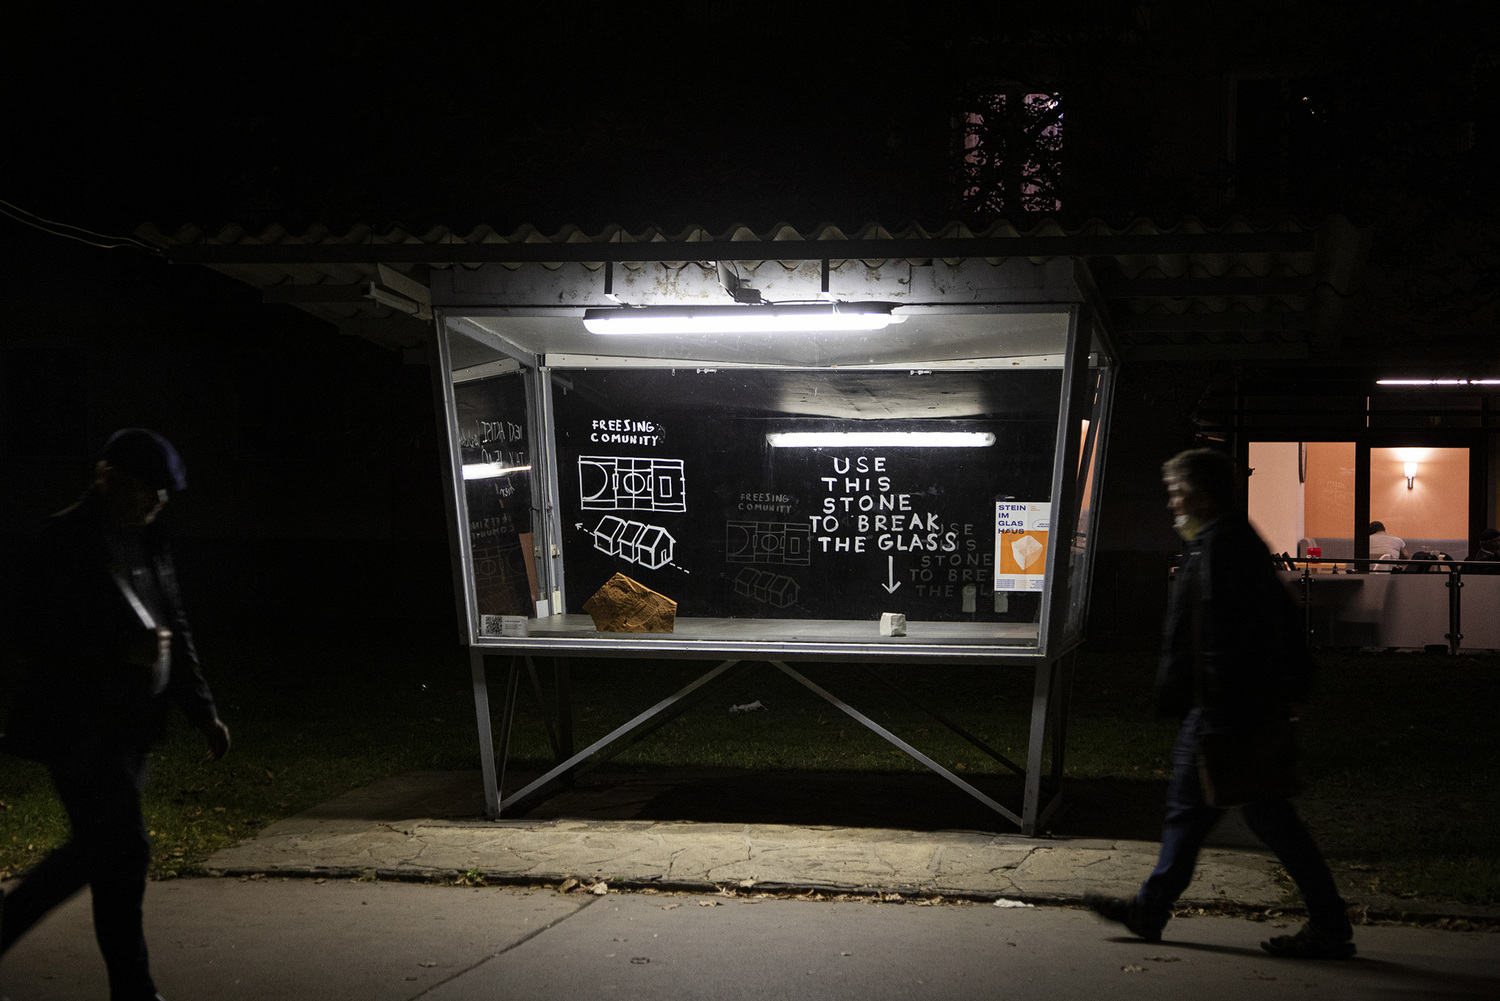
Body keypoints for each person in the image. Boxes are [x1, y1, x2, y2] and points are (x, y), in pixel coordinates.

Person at [1084, 447, 1354, 959]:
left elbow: (1253, 629)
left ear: (1202, 494)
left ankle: (1329, 924)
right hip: (1224, 706)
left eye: (1176, 491)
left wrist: (1242, 697)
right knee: (1194, 813)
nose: (1171, 502)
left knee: (1266, 816)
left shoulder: (1226, 546)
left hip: (1230, 710)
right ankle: (1152, 907)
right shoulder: (1219, 541)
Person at [1, 428, 231, 1001]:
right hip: (78, 727)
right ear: (109, 479)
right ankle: (134, 990)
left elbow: (174, 626)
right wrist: (113, 652)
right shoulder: (63, 541)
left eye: (165, 492)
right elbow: (37, 636)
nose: (159, 502)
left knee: (101, 856)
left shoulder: (149, 539)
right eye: (149, 489)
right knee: (123, 851)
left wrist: (201, 709)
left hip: (131, 728)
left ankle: (130, 988)